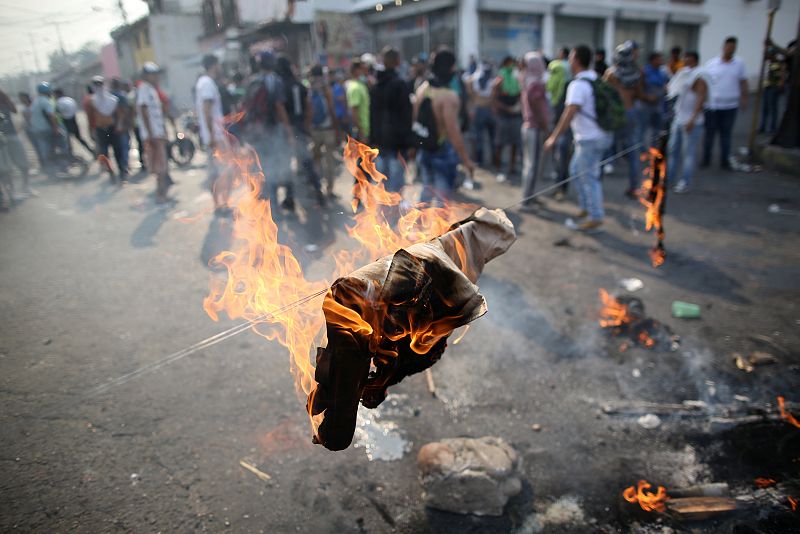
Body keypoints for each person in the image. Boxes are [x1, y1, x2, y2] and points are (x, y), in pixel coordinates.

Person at [544, 44, 612, 233]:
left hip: (589, 138)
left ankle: (595, 217)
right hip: (599, 135)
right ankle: (586, 208)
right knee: (576, 170)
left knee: (589, 177)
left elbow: (569, 112)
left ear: (576, 60)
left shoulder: (577, 85)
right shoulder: (595, 79)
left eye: (571, 58)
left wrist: (553, 138)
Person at [413, 48, 475, 205]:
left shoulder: (423, 89)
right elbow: (453, 132)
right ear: (450, 69)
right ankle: (439, 230)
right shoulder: (449, 97)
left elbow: (415, 119)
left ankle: (419, 226)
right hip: (442, 152)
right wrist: (466, 161)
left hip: (425, 149)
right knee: (442, 201)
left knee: (426, 191)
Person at [240, 51, 294, 211]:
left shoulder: (252, 81)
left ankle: (267, 204)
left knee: (261, 166)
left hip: (256, 132)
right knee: (276, 165)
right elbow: (279, 107)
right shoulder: (275, 81)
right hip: (273, 131)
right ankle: (276, 204)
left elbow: (244, 107)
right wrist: (289, 130)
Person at [604, 40, 645, 197]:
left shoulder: (611, 74)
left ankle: (596, 184)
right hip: (631, 111)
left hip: (616, 114)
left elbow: (604, 93)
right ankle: (634, 186)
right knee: (632, 150)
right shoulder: (637, 73)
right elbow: (640, 94)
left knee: (606, 147)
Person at [370, 46, 413, 194]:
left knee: (382, 190)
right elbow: (407, 116)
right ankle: (394, 217)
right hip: (397, 148)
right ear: (397, 62)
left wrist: (372, 140)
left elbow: (372, 116)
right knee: (395, 192)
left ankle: (383, 217)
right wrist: (408, 143)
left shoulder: (375, 86)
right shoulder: (400, 84)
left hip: (380, 146)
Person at [702, 36, 747, 170]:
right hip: (712, 106)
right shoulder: (711, 64)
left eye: (733, 48)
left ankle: (724, 161)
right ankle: (706, 159)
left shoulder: (739, 64)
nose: (730, 50)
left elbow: (743, 81)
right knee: (709, 134)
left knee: (726, 135)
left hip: (730, 106)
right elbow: (704, 82)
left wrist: (744, 98)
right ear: (723, 47)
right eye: (728, 47)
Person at [667, 51, 708, 194]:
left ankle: (685, 181)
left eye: (688, 59)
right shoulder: (683, 73)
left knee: (688, 153)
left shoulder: (699, 76)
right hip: (679, 118)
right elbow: (672, 88)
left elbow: (701, 99)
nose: (685, 60)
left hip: (691, 121)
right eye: (684, 58)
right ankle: (669, 179)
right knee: (673, 150)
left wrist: (693, 119)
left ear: (695, 60)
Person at [195, 53, 230, 214]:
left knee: (219, 171)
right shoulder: (207, 82)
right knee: (219, 171)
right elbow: (207, 110)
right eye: (218, 64)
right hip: (215, 136)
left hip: (214, 135)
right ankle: (220, 205)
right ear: (214, 65)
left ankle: (221, 204)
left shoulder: (204, 82)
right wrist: (212, 137)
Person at [519, 52, 551, 209]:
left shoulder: (527, 80)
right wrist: (546, 127)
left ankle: (531, 196)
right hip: (535, 128)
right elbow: (539, 111)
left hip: (529, 127)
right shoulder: (535, 85)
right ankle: (527, 200)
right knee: (532, 165)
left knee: (530, 164)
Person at [136, 62, 169, 201]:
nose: (155, 76)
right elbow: (143, 112)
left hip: (158, 133)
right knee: (159, 166)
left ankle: (162, 193)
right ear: (146, 75)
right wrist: (150, 135)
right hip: (153, 135)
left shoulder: (152, 90)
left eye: (156, 73)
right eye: (152, 74)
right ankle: (160, 195)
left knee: (161, 166)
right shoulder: (144, 89)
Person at [308, 64, 341, 198]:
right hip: (328, 129)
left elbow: (308, 110)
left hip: (314, 130)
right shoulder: (326, 88)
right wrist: (336, 127)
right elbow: (332, 109)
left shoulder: (309, 88)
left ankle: (317, 187)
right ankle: (329, 189)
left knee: (316, 160)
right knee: (329, 161)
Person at [86, 75, 126, 181]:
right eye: (96, 85)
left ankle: (122, 171)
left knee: (118, 150)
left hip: (112, 128)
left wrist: (119, 125)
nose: (98, 87)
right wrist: (91, 130)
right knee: (104, 152)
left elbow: (120, 114)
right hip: (100, 129)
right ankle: (110, 171)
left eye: (100, 84)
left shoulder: (112, 100)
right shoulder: (92, 101)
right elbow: (90, 118)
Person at [492, 55, 523, 182]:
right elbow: (494, 97)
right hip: (503, 115)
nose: (513, 66)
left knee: (515, 142)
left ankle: (512, 166)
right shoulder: (500, 78)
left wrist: (518, 106)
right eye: (510, 63)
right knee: (500, 143)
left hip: (515, 115)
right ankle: (499, 168)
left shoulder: (517, 77)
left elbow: (521, 93)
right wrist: (506, 108)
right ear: (505, 64)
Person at [547, 48, 572, 199]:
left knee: (562, 157)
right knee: (559, 159)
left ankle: (561, 189)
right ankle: (559, 187)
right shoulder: (557, 88)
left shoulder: (571, 86)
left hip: (565, 130)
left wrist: (554, 136)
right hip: (559, 126)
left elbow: (567, 114)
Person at [0, 89, 31, 197]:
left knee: (24, 163)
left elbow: (14, 110)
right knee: (5, 168)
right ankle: (11, 193)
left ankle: (26, 187)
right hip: (1, 139)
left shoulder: (4, 101)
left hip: (11, 134)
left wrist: (5, 96)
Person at [467, 60, 496, 169]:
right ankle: (483, 159)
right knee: (481, 137)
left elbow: (474, 97)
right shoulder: (476, 80)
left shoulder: (473, 80)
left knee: (483, 137)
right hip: (482, 110)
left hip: (482, 109)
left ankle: (484, 159)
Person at [29, 82, 64, 172]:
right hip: (46, 130)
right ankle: (61, 167)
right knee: (56, 148)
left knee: (45, 150)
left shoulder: (35, 101)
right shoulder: (45, 101)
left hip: (37, 130)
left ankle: (50, 170)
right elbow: (51, 116)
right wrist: (56, 128)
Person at [54, 88, 94, 157]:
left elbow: (57, 112)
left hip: (66, 122)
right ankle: (91, 151)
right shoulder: (70, 99)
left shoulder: (59, 102)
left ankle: (70, 156)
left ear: (57, 94)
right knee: (79, 138)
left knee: (66, 141)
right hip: (74, 121)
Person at [641, 52, 668, 149]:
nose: (661, 61)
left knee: (656, 130)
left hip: (659, 104)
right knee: (643, 129)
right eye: (659, 59)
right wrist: (647, 96)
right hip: (647, 105)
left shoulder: (662, 72)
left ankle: (653, 150)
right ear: (653, 60)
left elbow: (666, 84)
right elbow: (639, 87)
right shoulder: (644, 71)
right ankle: (642, 150)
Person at [759, 47, 785, 134]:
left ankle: (773, 128)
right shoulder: (767, 63)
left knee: (773, 108)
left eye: (770, 54)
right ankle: (763, 126)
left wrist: (781, 83)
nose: (768, 56)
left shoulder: (779, 63)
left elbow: (782, 74)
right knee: (765, 108)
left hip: (774, 87)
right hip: (767, 87)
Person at [110, 78, 132, 176]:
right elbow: (125, 112)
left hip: (111, 125)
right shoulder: (122, 96)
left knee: (117, 147)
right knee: (125, 146)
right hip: (122, 125)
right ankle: (124, 166)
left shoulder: (109, 96)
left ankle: (121, 166)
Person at [346, 60, 370, 143]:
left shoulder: (361, 85)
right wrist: (361, 132)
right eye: (363, 69)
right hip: (363, 132)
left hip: (366, 129)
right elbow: (354, 112)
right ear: (357, 70)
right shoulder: (355, 87)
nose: (366, 71)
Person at [18, 92, 43, 168]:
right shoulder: (25, 108)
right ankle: (43, 164)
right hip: (30, 130)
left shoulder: (32, 107)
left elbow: (29, 120)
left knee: (41, 148)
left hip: (36, 130)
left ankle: (45, 164)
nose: (21, 100)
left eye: (22, 98)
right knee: (37, 148)